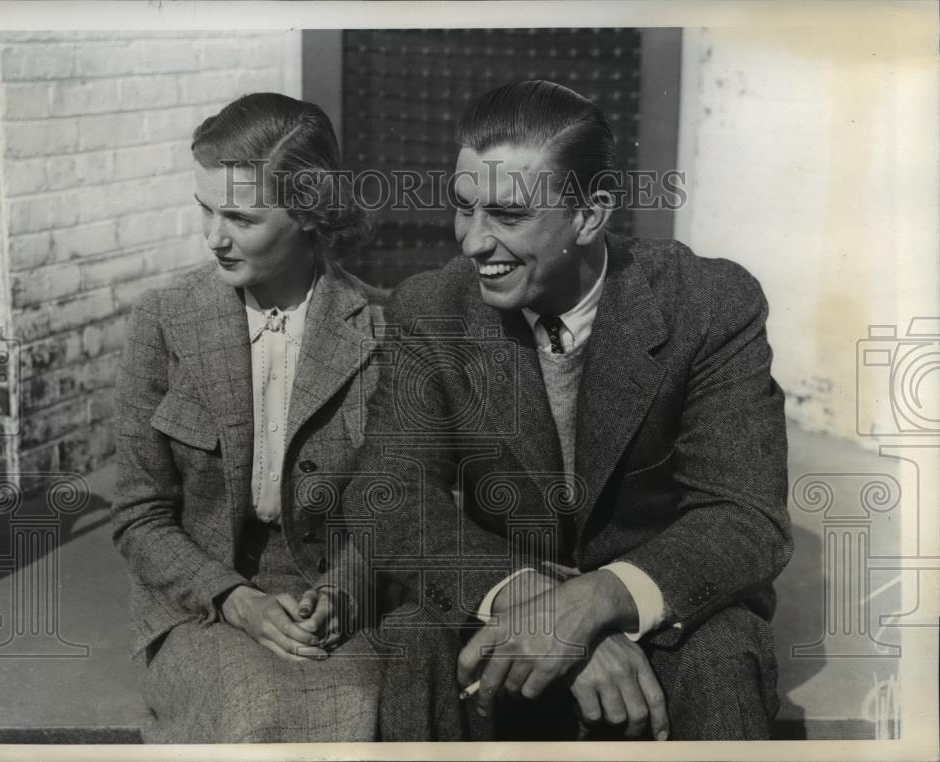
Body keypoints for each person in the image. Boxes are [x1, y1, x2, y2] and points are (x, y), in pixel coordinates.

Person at [336, 80, 792, 741]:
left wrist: (598, 601)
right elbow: (388, 494)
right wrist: (531, 604)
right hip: (502, 595)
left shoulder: (710, 304)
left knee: (726, 656)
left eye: (508, 216)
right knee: (414, 641)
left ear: (590, 215)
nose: (472, 242)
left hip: (661, 608)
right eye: (464, 209)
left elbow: (747, 516)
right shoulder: (431, 309)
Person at [111, 92, 388, 743]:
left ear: (310, 214)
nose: (214, 237)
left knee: (360, 707)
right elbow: (138, 513)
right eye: (205, 209)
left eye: (239, 216)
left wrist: (342, 597)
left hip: (340, 598)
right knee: (251, 711)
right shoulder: (164, 319)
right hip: (198, 605)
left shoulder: (382, 327)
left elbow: (401, 507)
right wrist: (238, 600)